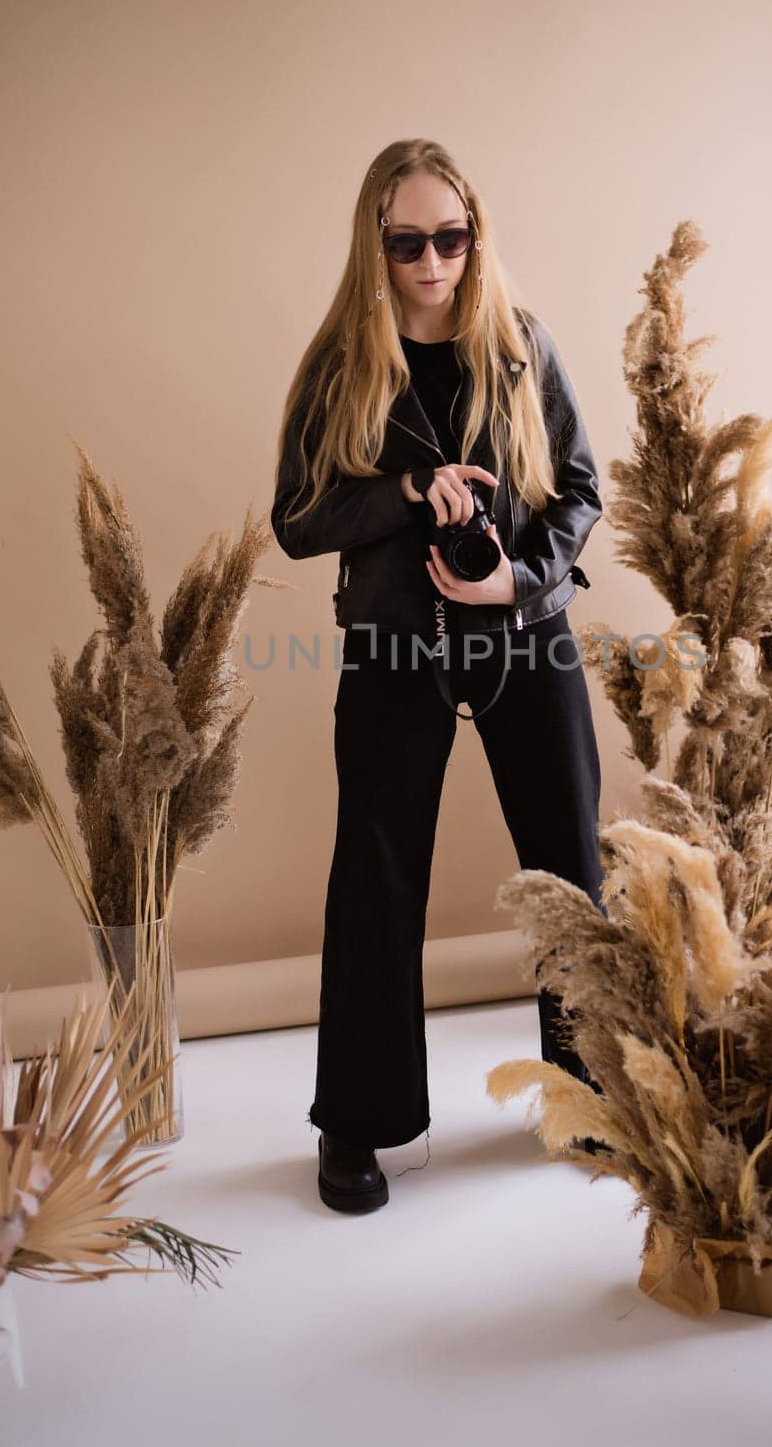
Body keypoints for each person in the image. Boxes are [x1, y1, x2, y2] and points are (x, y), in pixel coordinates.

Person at [270, 138, 607, 1214]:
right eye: (408, 242)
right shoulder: (341, 365)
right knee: (374, 879)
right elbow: (296, 519)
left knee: (568, 874)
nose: (432, 263)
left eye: (450, 238)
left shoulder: (519, 346)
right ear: (377, 241)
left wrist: (518, 579)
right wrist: (409, 491)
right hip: (392, 645)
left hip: (525, 633)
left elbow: (583, 490)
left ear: (475, 233)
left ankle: (593, 1096)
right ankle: (356, 1130)